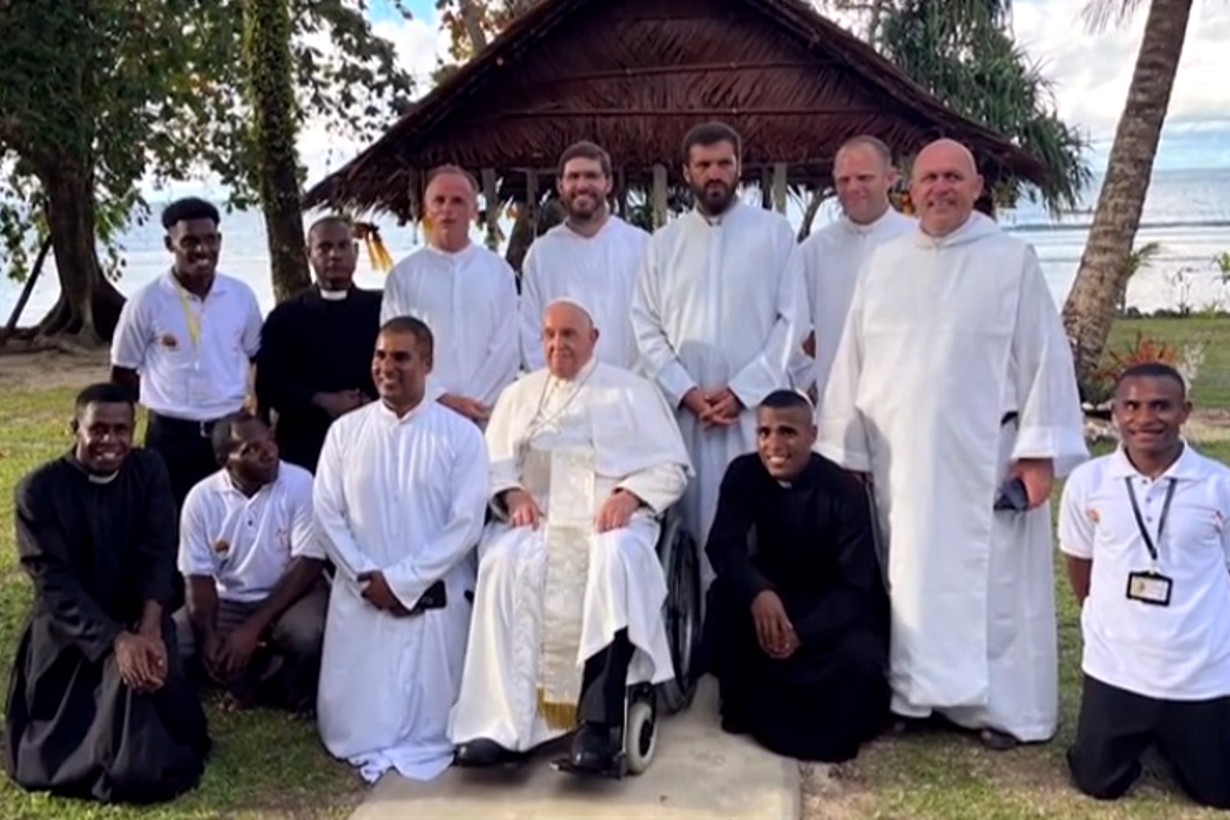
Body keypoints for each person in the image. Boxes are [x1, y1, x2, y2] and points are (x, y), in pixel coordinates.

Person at [817, 138, 1088, 749]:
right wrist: (846, 453)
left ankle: (1001, 711)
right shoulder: (884, 263)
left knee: (992, 588)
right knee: (905, 578)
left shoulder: (1011, 259)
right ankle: (914, 698)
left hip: (987, 463)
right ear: (910, 188)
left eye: (952, 177)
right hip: (901, 463)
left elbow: (1045, 358)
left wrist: (1039, 455)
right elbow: (853, 361)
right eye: (929, 177)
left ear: (975, 187)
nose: (940, 188)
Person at [451, 298, 691, 772]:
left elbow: (672, 467)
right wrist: (512, 494)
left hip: (609, 521)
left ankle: (596, 726)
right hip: (539, 520)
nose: (558, 344)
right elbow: (493, 462)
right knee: (503, 564)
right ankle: (501, 726)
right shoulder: (520, 394)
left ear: (593, 339)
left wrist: (629, 495)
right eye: (549, 335)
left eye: (569, 335)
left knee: (612, 563)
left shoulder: (632, 391)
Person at [5, 384, 210, 804]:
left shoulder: (149, 469)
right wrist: (117, 642)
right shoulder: (38, 491)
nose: (111, 441)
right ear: (74, 429)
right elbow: (54, 583)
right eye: (98, 429)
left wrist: (151, 629)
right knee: (129, 765)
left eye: (121, 430)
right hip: (71, 631)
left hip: (138, 615)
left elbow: (159, 553)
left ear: (134, 430)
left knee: (159, 723)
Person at [314, 316, 489, 782]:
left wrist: (405, 580)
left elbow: (466, 524)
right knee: (357, 719)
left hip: (434, 593)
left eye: (401, 357)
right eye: (380, 355)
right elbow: (327, 514)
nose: (387, 367)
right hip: (363, 592)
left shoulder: (461, 437)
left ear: (428, 365)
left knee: (433, 713)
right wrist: (366, 576)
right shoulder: (345, 433)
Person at [631, 121, 806, 589]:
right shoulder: (663, 244)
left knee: (755, 530)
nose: (714, 174)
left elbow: (793, 322)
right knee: (689, 528)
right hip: (687, 418)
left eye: (723, 164)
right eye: (704, 165)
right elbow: (645, 326)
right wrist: (685, 391)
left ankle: (753, 647)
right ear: (686, 171)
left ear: (739, 168)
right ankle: (695, 650)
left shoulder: (774, 234)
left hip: (753, 416)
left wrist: (743, 391)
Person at [1059, 363, 1230, 809]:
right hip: (1118, 667)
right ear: (1114, 412)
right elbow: (1080, 564)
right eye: (1131, 406)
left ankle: (1177, 734)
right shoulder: (1088, 483)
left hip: (1200, 668)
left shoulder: (1219, 485)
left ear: (1184, 411)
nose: (1144, 418)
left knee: (1219, 792)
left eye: (1161, 406)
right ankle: (1143, 731)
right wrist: (1104, 615)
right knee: (1099, 783)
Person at [703, 390, 889, 762]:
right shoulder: (743, 473)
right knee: (725, 595)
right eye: (764, 432)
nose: (774, 445)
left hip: (826, 606)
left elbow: (856, 585)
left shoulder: (843, 490)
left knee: (860, 660)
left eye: (787, 432)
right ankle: (743, 705)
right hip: (771, 598)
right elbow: (724, 545)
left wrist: (802, 634)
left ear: (813, 435)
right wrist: (759, 593)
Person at [111, 197, 263, 510]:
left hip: (230, 429)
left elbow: (255, 357)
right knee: (170, 520)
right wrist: (121, 433)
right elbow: (123, 372)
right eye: (190, 241)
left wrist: (258, 418)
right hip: (170, 435)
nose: (202, 250)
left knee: (233, 515)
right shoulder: (146, 301)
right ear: (170, 244)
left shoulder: (240, 296)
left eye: (210, 240)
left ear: (219, 241)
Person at [175, 412, 328, 714]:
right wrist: (208, 638)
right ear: (225, 461)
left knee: (306, 635)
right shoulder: (201, 498)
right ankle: (247, 671)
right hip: (229, 600)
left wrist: (253, 628)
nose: (269, 452)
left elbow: (308, 563)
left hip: (290, 596)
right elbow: (198, 578)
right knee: (175, 643)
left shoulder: (299, 482)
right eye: (251, 449)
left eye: (270, 440)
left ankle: (266, 683)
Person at [380, 166, 519, 426]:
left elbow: (507, 349)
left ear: (472, 211)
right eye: (439, 201)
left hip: (487, 416)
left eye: (458, 201)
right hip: (423, 414)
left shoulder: (499, 273)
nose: (448, 209)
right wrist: (441, 398)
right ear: (426, 210)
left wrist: (473, 403)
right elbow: (395, 348)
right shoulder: (404, 276)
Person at [790, 136, 915, 401]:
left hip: (905, 402)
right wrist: (809, 379)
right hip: (836, 408)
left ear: (890, 178)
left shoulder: (919, 242)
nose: (853, 187)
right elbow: (791, 326)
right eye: (844, 180)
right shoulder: (814, 250)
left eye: (864, 178)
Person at [255, 215, 381, 472]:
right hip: (304, 444)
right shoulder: (285, 316)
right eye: (324, 247)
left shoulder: (380, 310)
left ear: (356, 251)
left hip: (370, 437)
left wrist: (368, 402)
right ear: (309, 253)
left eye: (343, 246)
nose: (334, 255)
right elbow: (269, 383)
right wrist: (322, 400)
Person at [519, 141, 650, 372]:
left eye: (591, 176)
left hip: (630, 390)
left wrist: (634, 383)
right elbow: (530, 331)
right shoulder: (542, 254)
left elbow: (653, 321)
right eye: (573, 177)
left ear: (607, 183)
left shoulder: (640, 246)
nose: (582, 185)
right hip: (562, 394)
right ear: (560, 185)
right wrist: (555, 383)